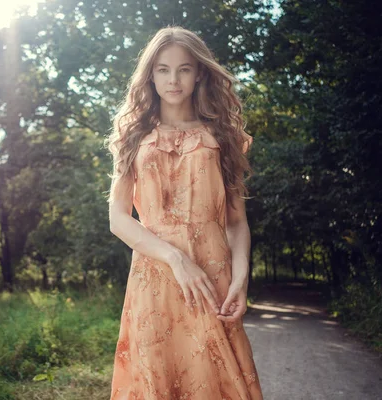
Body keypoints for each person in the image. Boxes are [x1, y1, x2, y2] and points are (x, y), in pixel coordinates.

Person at [105, 25, 264, 399]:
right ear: (150, 75)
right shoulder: (131, 136)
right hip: (154, 277)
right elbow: (118, 218)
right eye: (162, 69)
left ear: (199, 72)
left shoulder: (223, 137)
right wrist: (175, 259)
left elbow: (237, 221)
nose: (173, 79)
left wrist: (240, 280)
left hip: (213, 278)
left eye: (184, 68)